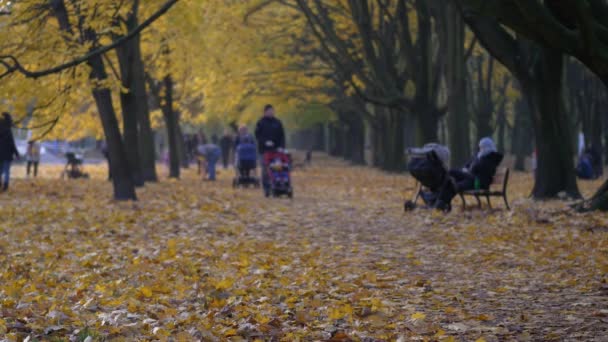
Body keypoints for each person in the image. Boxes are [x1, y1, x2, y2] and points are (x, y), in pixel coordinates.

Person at [435, 137, 503, 210]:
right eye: (480, 147)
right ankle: (442, 202)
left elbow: (479, 167)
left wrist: (469, 169)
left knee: (454, 181)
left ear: (487, 146)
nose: (480, 149)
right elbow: (469, 164)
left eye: (482, 147)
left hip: (479, 182)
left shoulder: (492, 157)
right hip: (472, 178)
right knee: (452, 178)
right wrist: (466, 168)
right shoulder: (481, 155)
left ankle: (441, 203)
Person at [255, 104, 286, 195]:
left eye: (272, 111)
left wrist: (282, 146)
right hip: (264, 150)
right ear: (265, 112)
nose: (271, 112)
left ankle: (277, 185)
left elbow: (282, 136)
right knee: (265, 169)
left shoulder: (278, 122)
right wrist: (265, 142)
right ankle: (266, 188)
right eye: (269, 111)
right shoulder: (260, 123)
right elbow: (258, 136)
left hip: (276, 150)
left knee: (277, 167)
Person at [0, 113, 20, 191]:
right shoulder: (8, 131)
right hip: (7, 154)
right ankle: (5, 185)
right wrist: (17, 154)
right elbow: (12, 144)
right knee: (7, 170)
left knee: (0, 170)